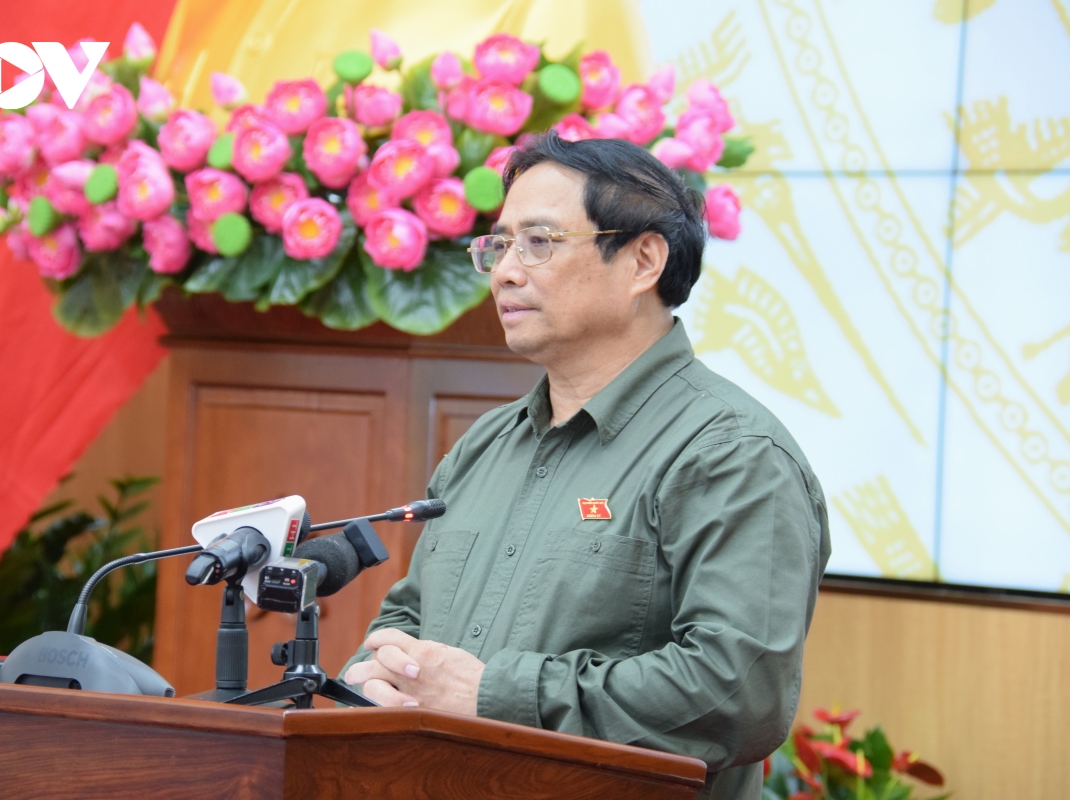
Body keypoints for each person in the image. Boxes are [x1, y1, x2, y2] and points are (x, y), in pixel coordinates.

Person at [342, 133, 831, 800]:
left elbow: (736, 693)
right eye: (499, 246)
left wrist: (493, 695)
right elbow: (409, 617)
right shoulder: (487, 444)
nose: (505, 272)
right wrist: (373, 680)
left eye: (538, 242)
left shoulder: (731, 453)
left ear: (642, 261)